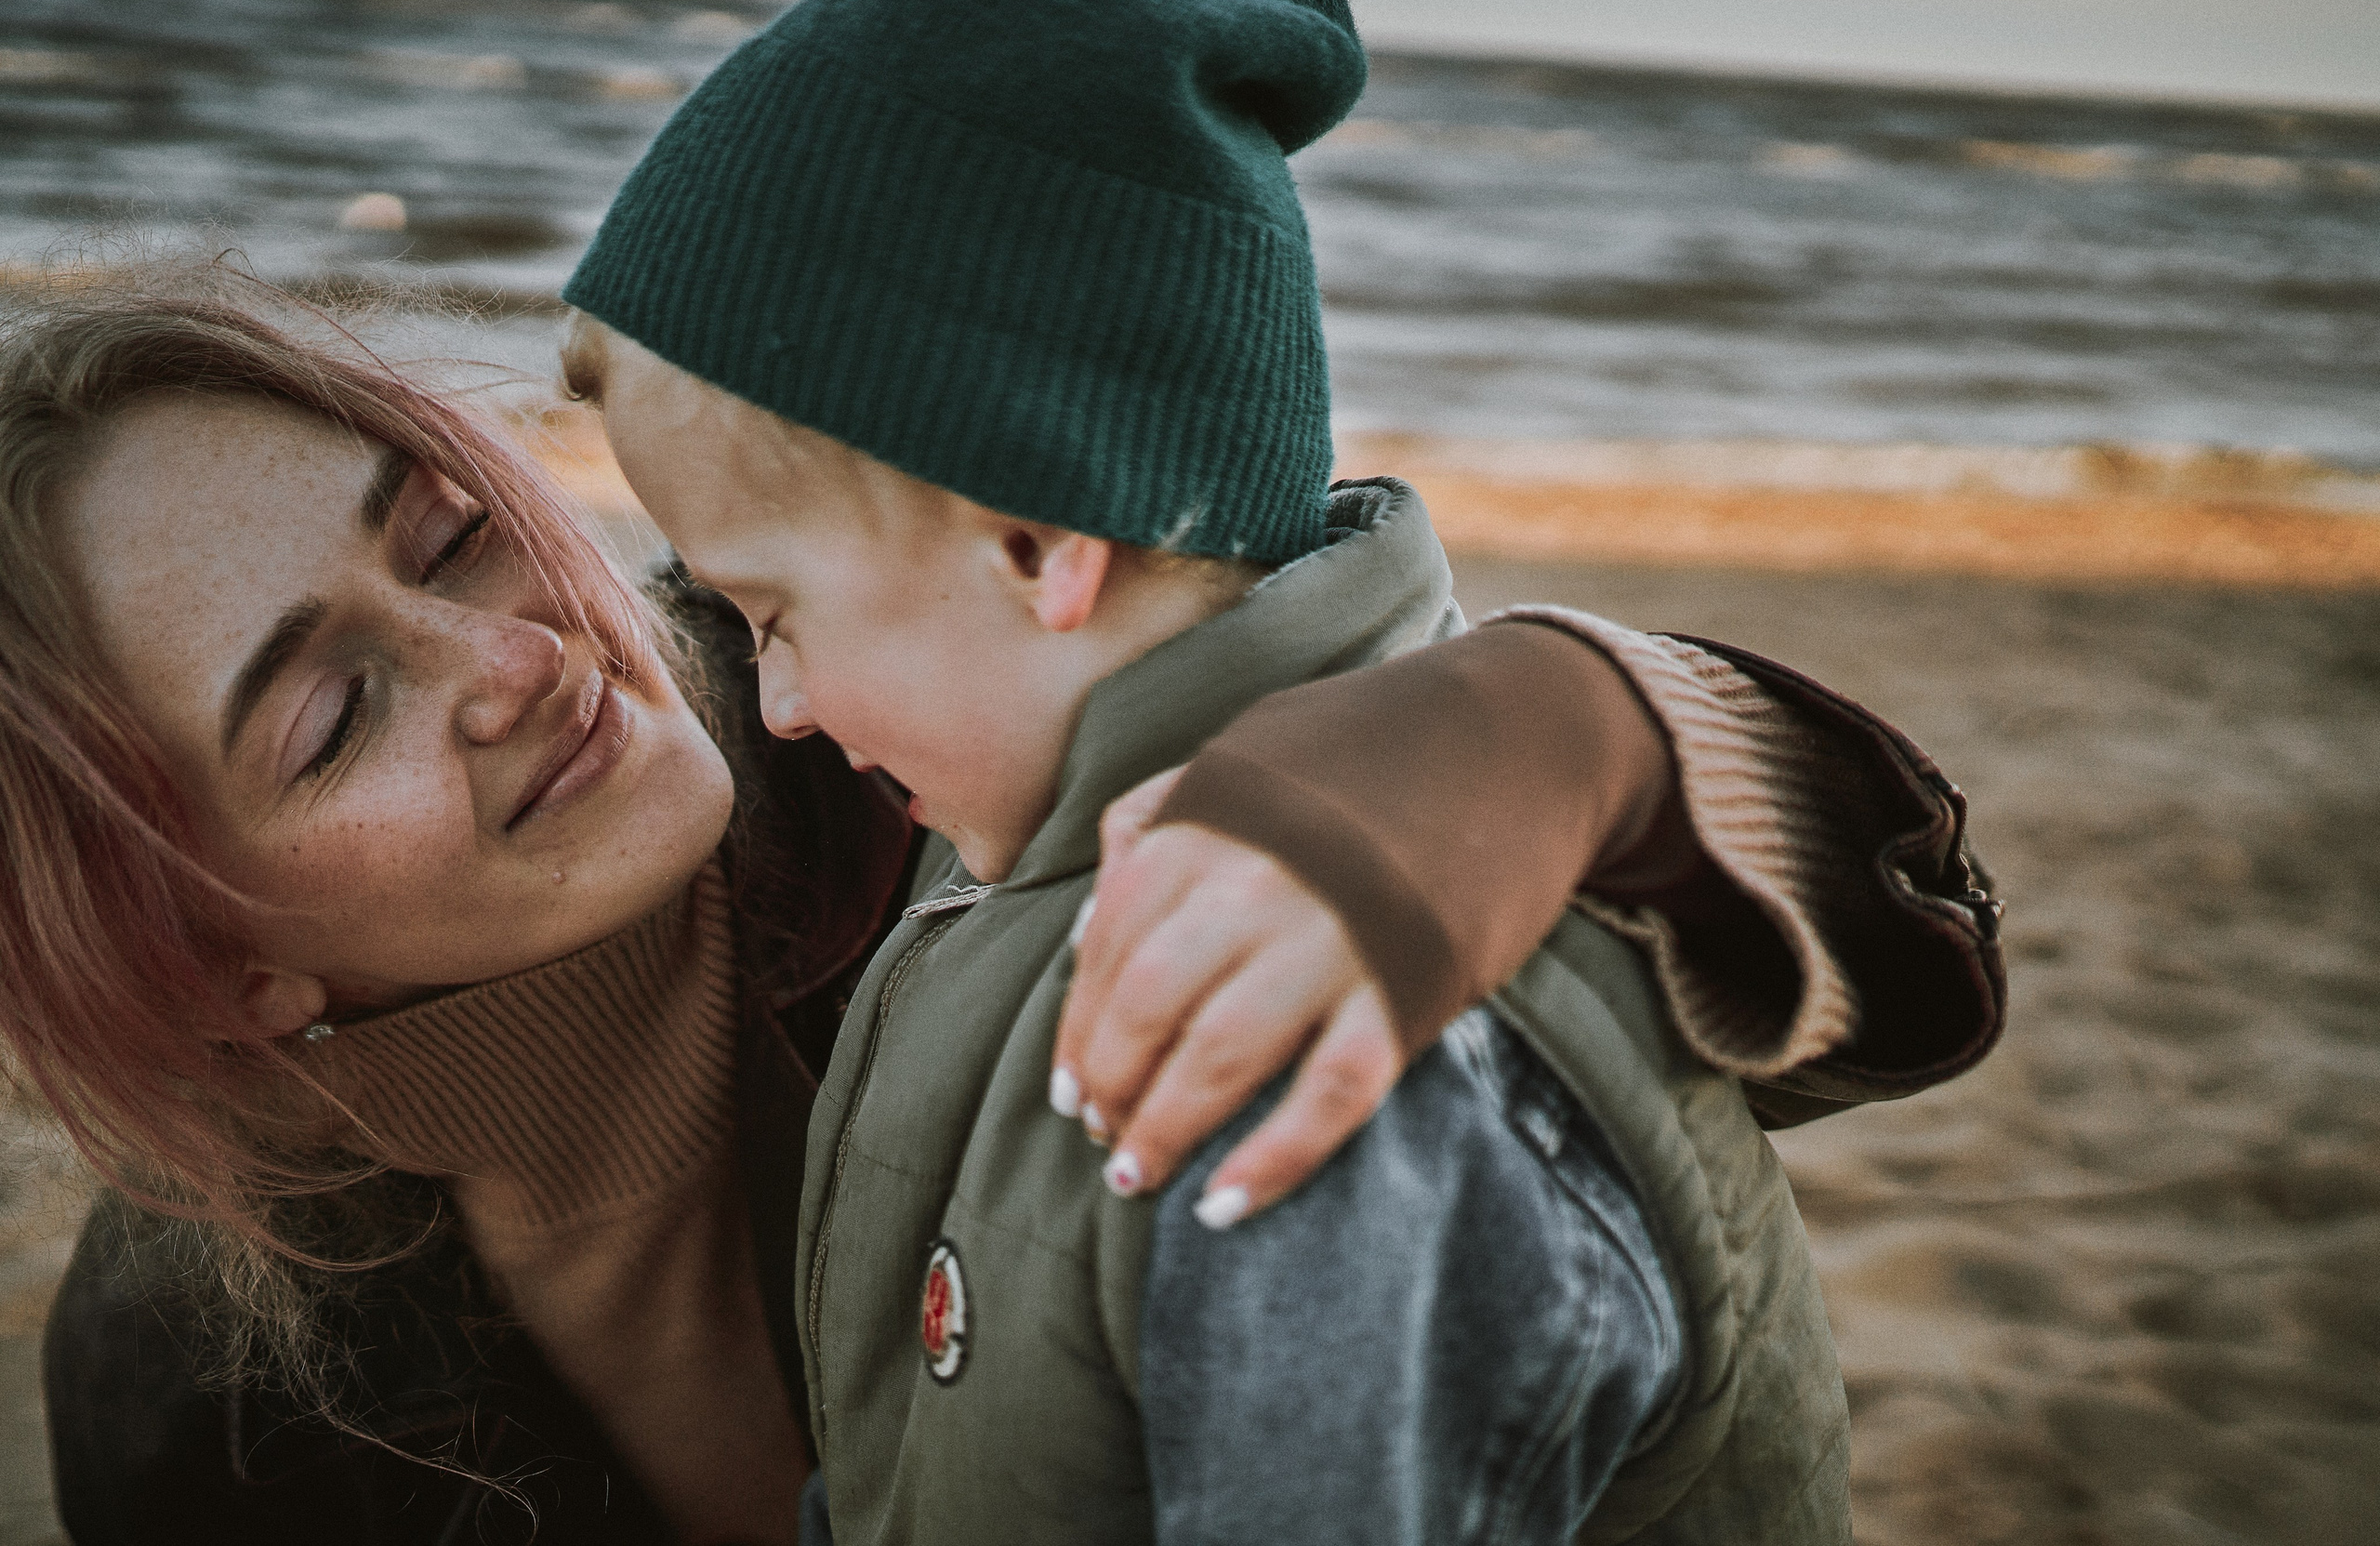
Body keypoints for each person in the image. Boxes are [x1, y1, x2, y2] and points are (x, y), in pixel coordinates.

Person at [17, 277, 1994, 1546]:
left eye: (453, 532)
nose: (509, 653)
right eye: (331, 708)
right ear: (215, 957)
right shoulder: (202, 1378)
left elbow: (1898, 990)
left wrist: (1549, 725)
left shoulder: (920, 730)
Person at [549, 0, 2005, 1540]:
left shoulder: (1324, 1065)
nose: (781, 709)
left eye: (774, 615)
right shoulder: (1015, 828)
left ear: (1037, 544)